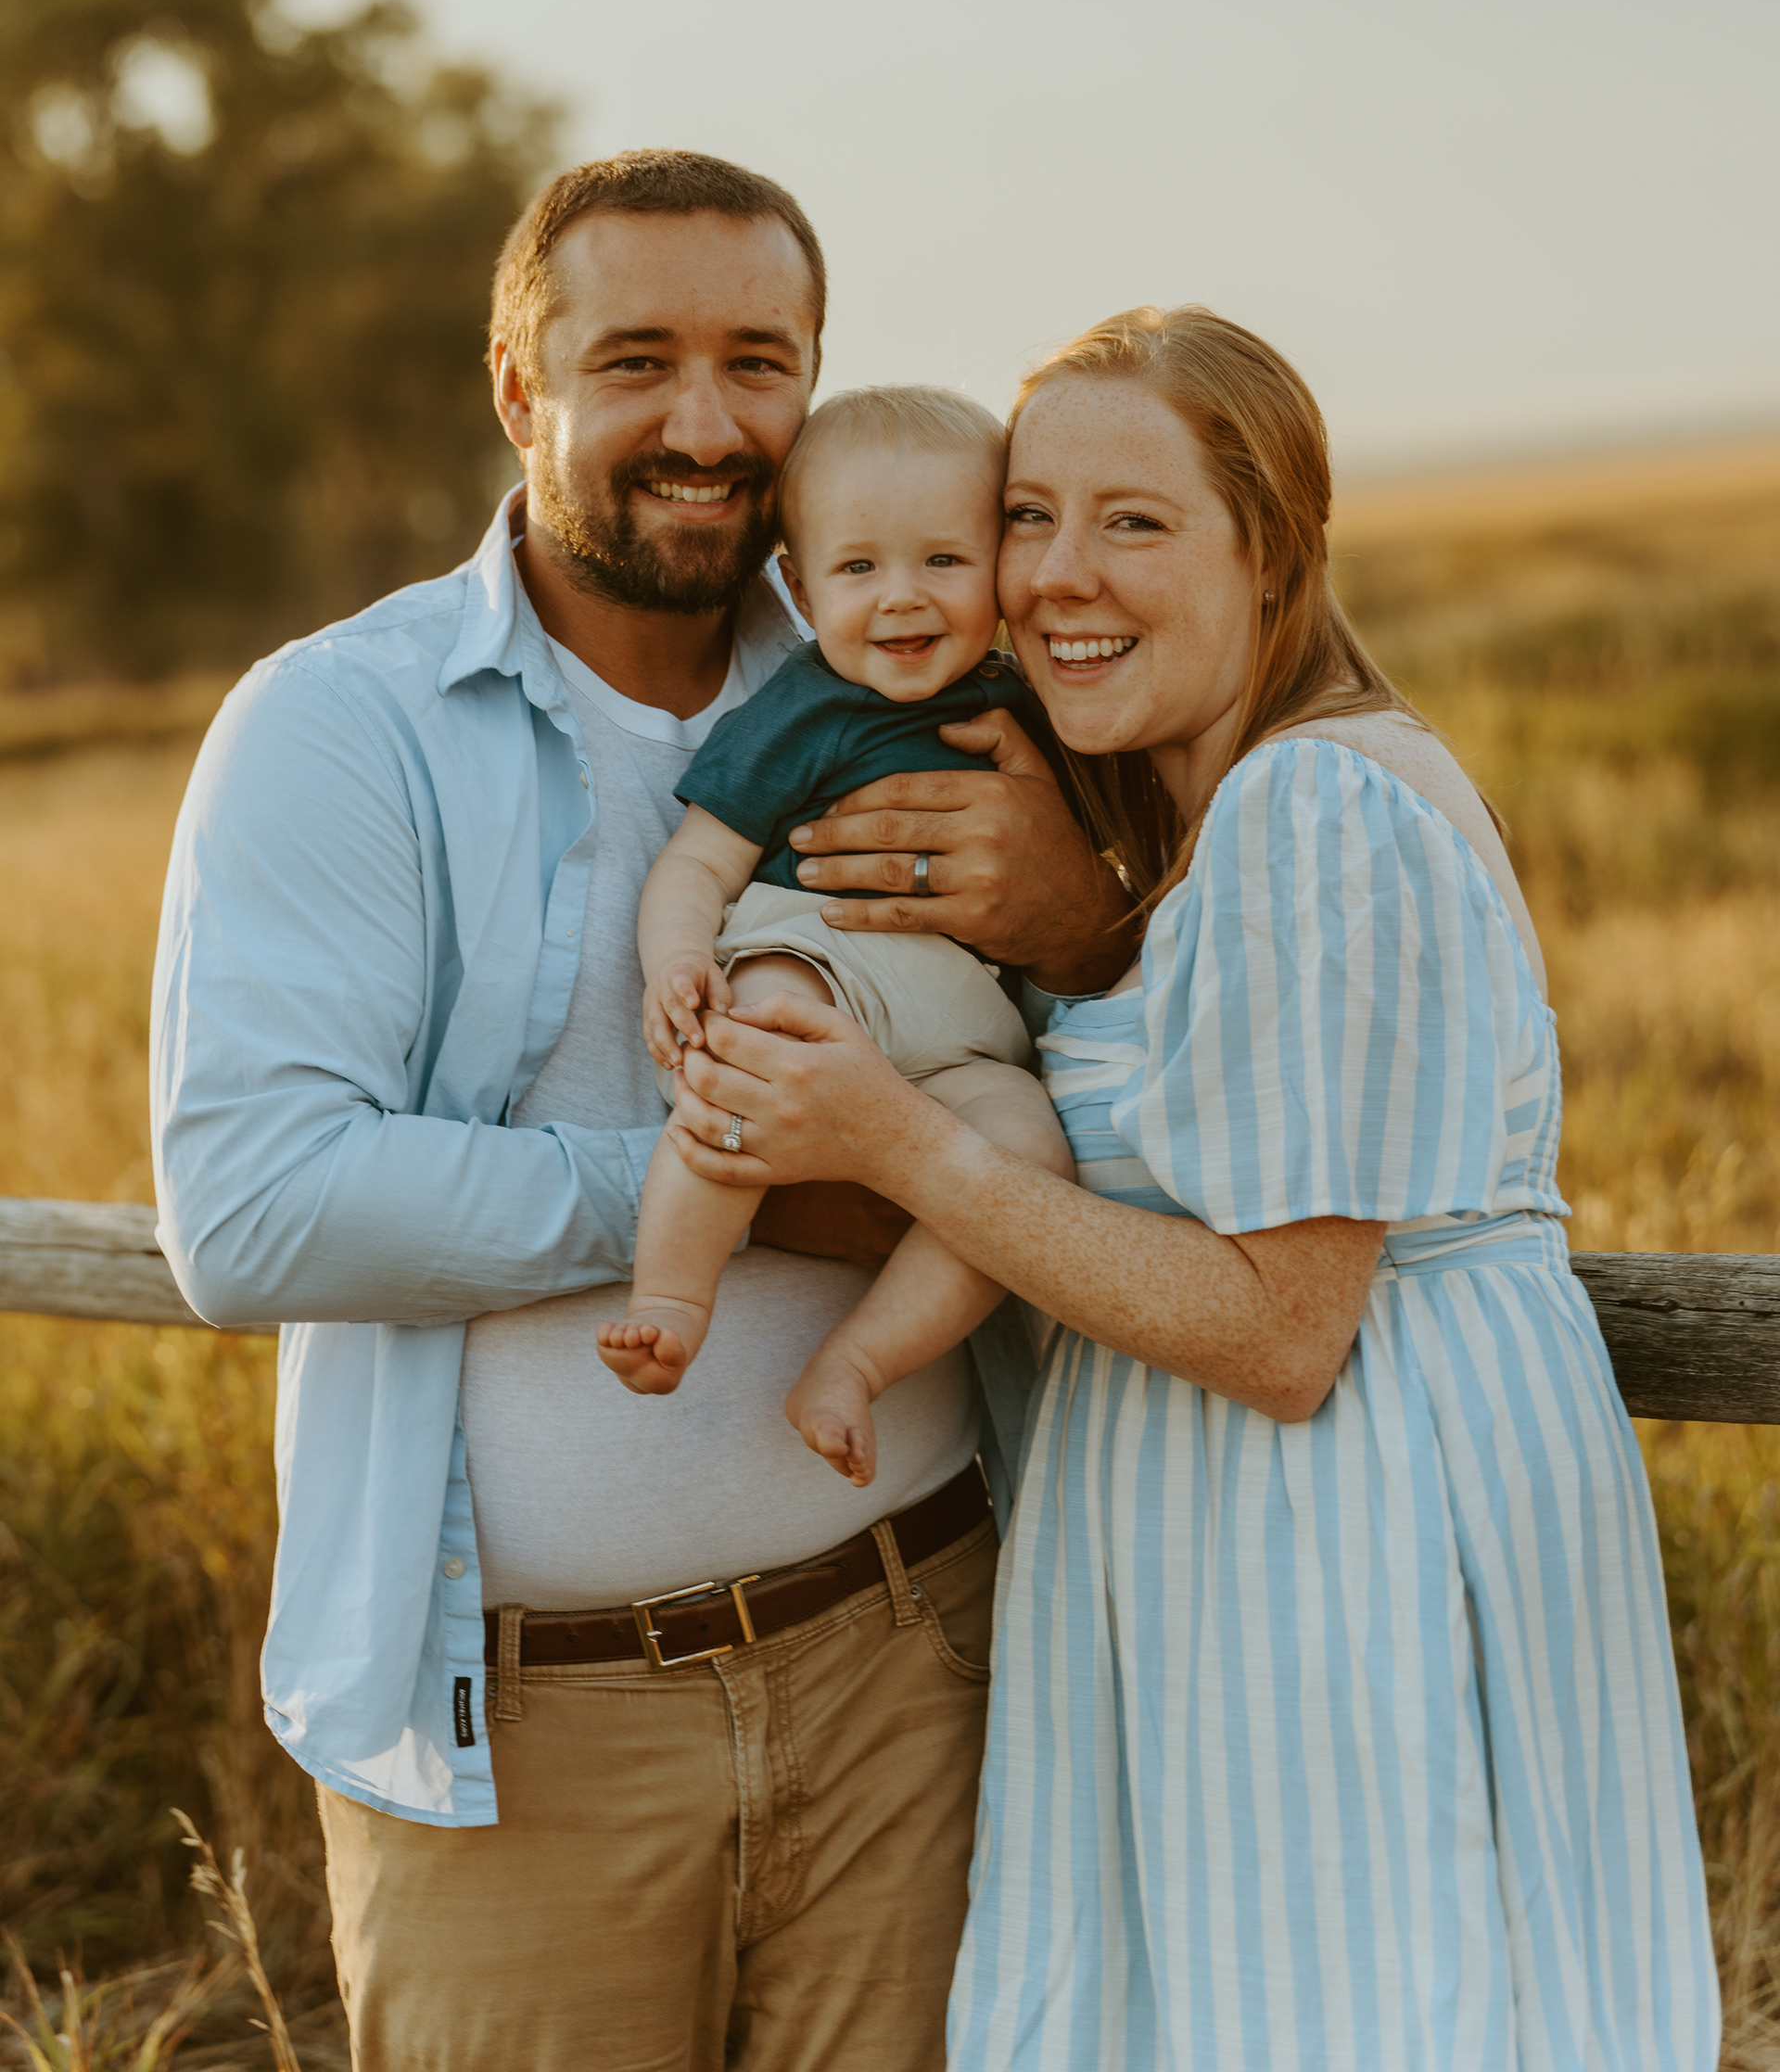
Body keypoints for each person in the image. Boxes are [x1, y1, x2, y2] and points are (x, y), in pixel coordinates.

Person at [149, 151, 1132, 2072]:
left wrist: (1076, 920)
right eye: (639, 362)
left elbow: (1114, 1077)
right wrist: (761, 1183)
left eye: (760, 364)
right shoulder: (341, 727)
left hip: (914, 1663)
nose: (707, 426)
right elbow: (255, 1209)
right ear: (522, 389)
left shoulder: (912, 678)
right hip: (528, 1735)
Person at [659, 304, 1721, 2070]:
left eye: (1135, 523)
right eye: (1029, 515)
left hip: (1338, 1545)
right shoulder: (1230, 818)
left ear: (1275, 551)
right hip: (1267, 1535)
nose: (1061, 575)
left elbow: (1286, 1329)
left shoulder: (1313, 811)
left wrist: (891, 1130)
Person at [602, 385, 1075, 1487]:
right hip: (815, 962)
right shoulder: (805, 709)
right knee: (748, 1070)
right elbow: (699, 864)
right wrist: (675, 961)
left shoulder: (1032, 711)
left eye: (944, 563)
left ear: (1001, 569)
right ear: (802, 587)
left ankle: (857, 1364)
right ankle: (670, 1300)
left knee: (1028, 1157)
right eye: (860, 570)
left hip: (958, 1030)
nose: (902, 600)